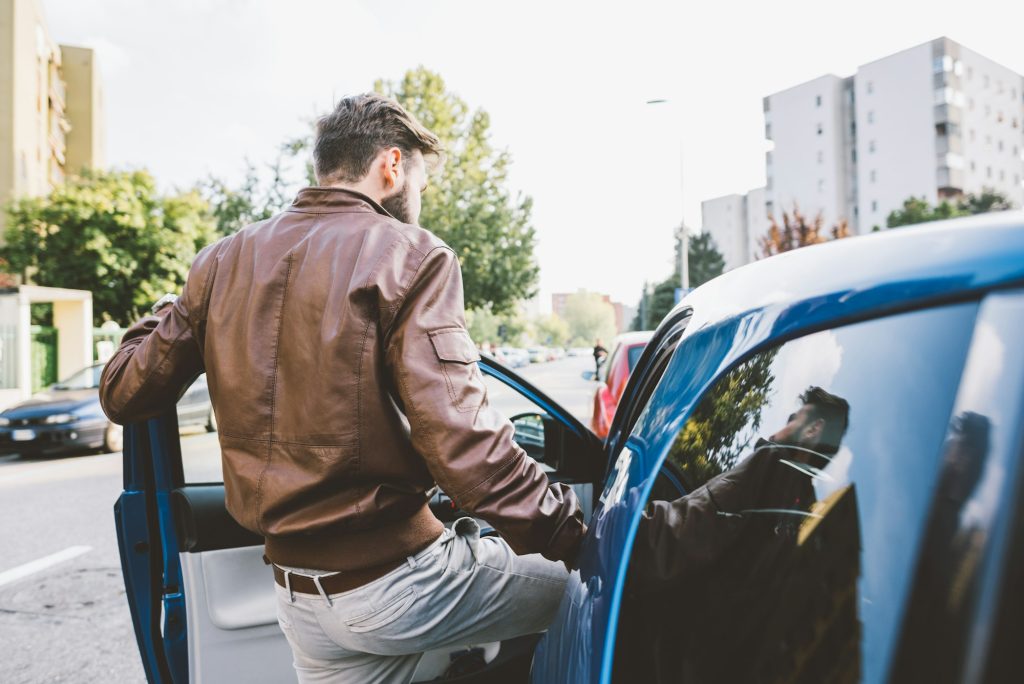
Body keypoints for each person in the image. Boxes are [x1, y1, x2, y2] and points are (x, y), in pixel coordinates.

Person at [98, 93, 585, 683]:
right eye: (420, 182)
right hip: (401, 584)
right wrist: (576, 534)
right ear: (392, 165)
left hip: (298, 600)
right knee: (599, 591)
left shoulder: (221, 262)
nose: (418, 200)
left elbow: (123, 391)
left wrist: (185, 298)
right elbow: (464, 441)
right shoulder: (412, 255)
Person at [620, 386, 855, 683]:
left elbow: (676, 535)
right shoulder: (806, 509)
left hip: (688, 657)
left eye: (793, 419)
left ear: (813, 429)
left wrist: (617, 526)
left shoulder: (769, 464)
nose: (775, 432)